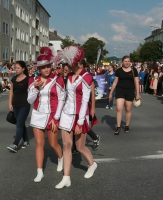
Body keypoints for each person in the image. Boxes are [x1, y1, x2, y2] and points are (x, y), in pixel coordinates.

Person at [55, 46, 97, 189]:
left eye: (69, 63)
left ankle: (92, 164)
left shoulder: (87, 77)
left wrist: (80, 122)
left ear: (77, 63)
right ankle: (66, 177)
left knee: (79, 147)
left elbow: (85, 100)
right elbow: (64, 97)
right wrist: (57, 116)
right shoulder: (69, 77)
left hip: (80, 116)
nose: (66, 66)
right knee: (67, 146)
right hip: (67, 114)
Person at [27, 47, 64, 182]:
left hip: (53, 115)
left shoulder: (58, 80)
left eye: (48, 66)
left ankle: (61, 158)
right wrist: (36, 88)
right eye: (43, 67)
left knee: (53, 144)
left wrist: (56, 117)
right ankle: (39, 171)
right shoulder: (33, 80)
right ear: (39, 69)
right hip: (38, 114)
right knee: (39, 144)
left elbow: (61, 99)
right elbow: (30, 100)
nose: (46, 69)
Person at [109, 56, 140, 135]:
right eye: (125, 61)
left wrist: (137, 93)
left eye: (128, 61)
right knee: (119, 108)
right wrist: (111, 92)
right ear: (122, 62)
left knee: (128, 109)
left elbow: (136, 82)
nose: (127, 62)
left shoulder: (134, 70)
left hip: (130, 91)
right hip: (120, 91)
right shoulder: (119, 70)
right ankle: (118, 127)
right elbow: (115, 82)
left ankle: (127, 126)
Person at [7, 61, 30, 153]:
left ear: (23, 69)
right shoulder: (14, 78)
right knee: (20, 123)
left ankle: (15, 144)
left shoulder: (28, 79)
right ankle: (26, 140)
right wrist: (10, 103)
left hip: (24, 105)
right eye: (15, 68)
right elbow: (11, 92)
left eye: (18, 68)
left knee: (19, 123)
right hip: (15, 104)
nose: (16, 70)